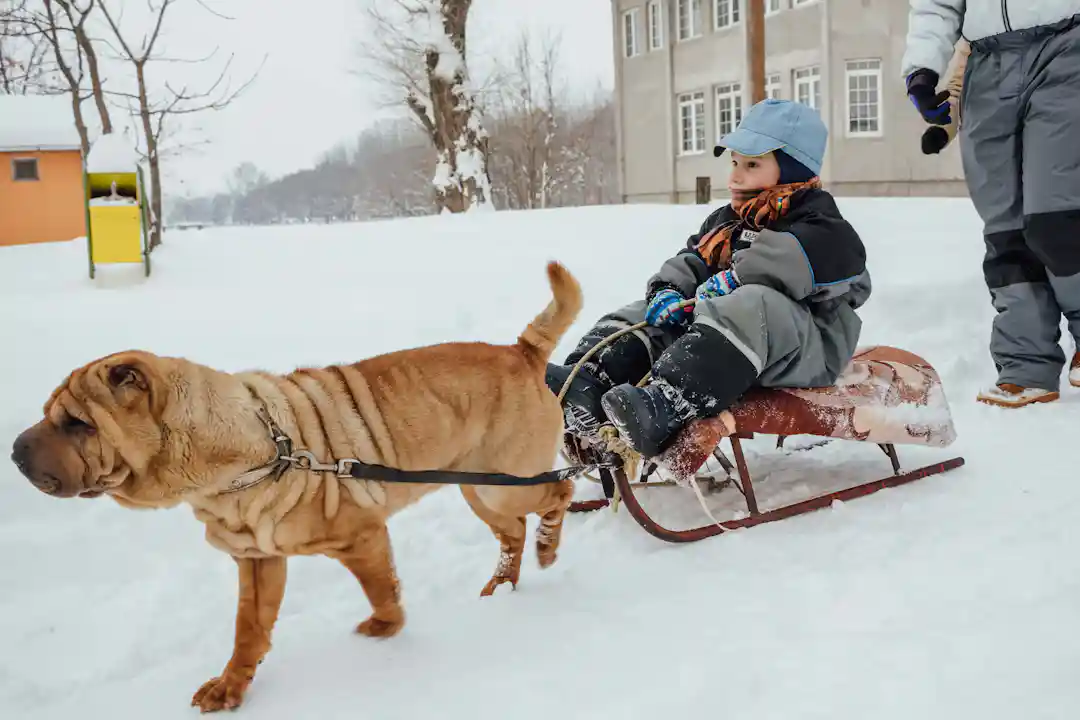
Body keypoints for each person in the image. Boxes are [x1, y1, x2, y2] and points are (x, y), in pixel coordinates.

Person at [546, 99, 871, 458]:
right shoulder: (728, 222)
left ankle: (667, 406)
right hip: (730, 346)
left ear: (792, 171)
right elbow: (694, 260)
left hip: (806, 352)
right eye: (734, 162)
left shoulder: (824, 227)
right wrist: (668, 291)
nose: (734, 176)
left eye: (751, 165)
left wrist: (738, 277)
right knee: (644, 314)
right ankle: (587, 384)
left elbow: (805, 260)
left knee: (753, 304)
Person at [903, 1, 1080, 408]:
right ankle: (1026, 364)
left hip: (1066, 44)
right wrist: (923, 67)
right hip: (986, 64)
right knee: (1004, 227)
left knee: (1057, 212)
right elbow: (936, 4)